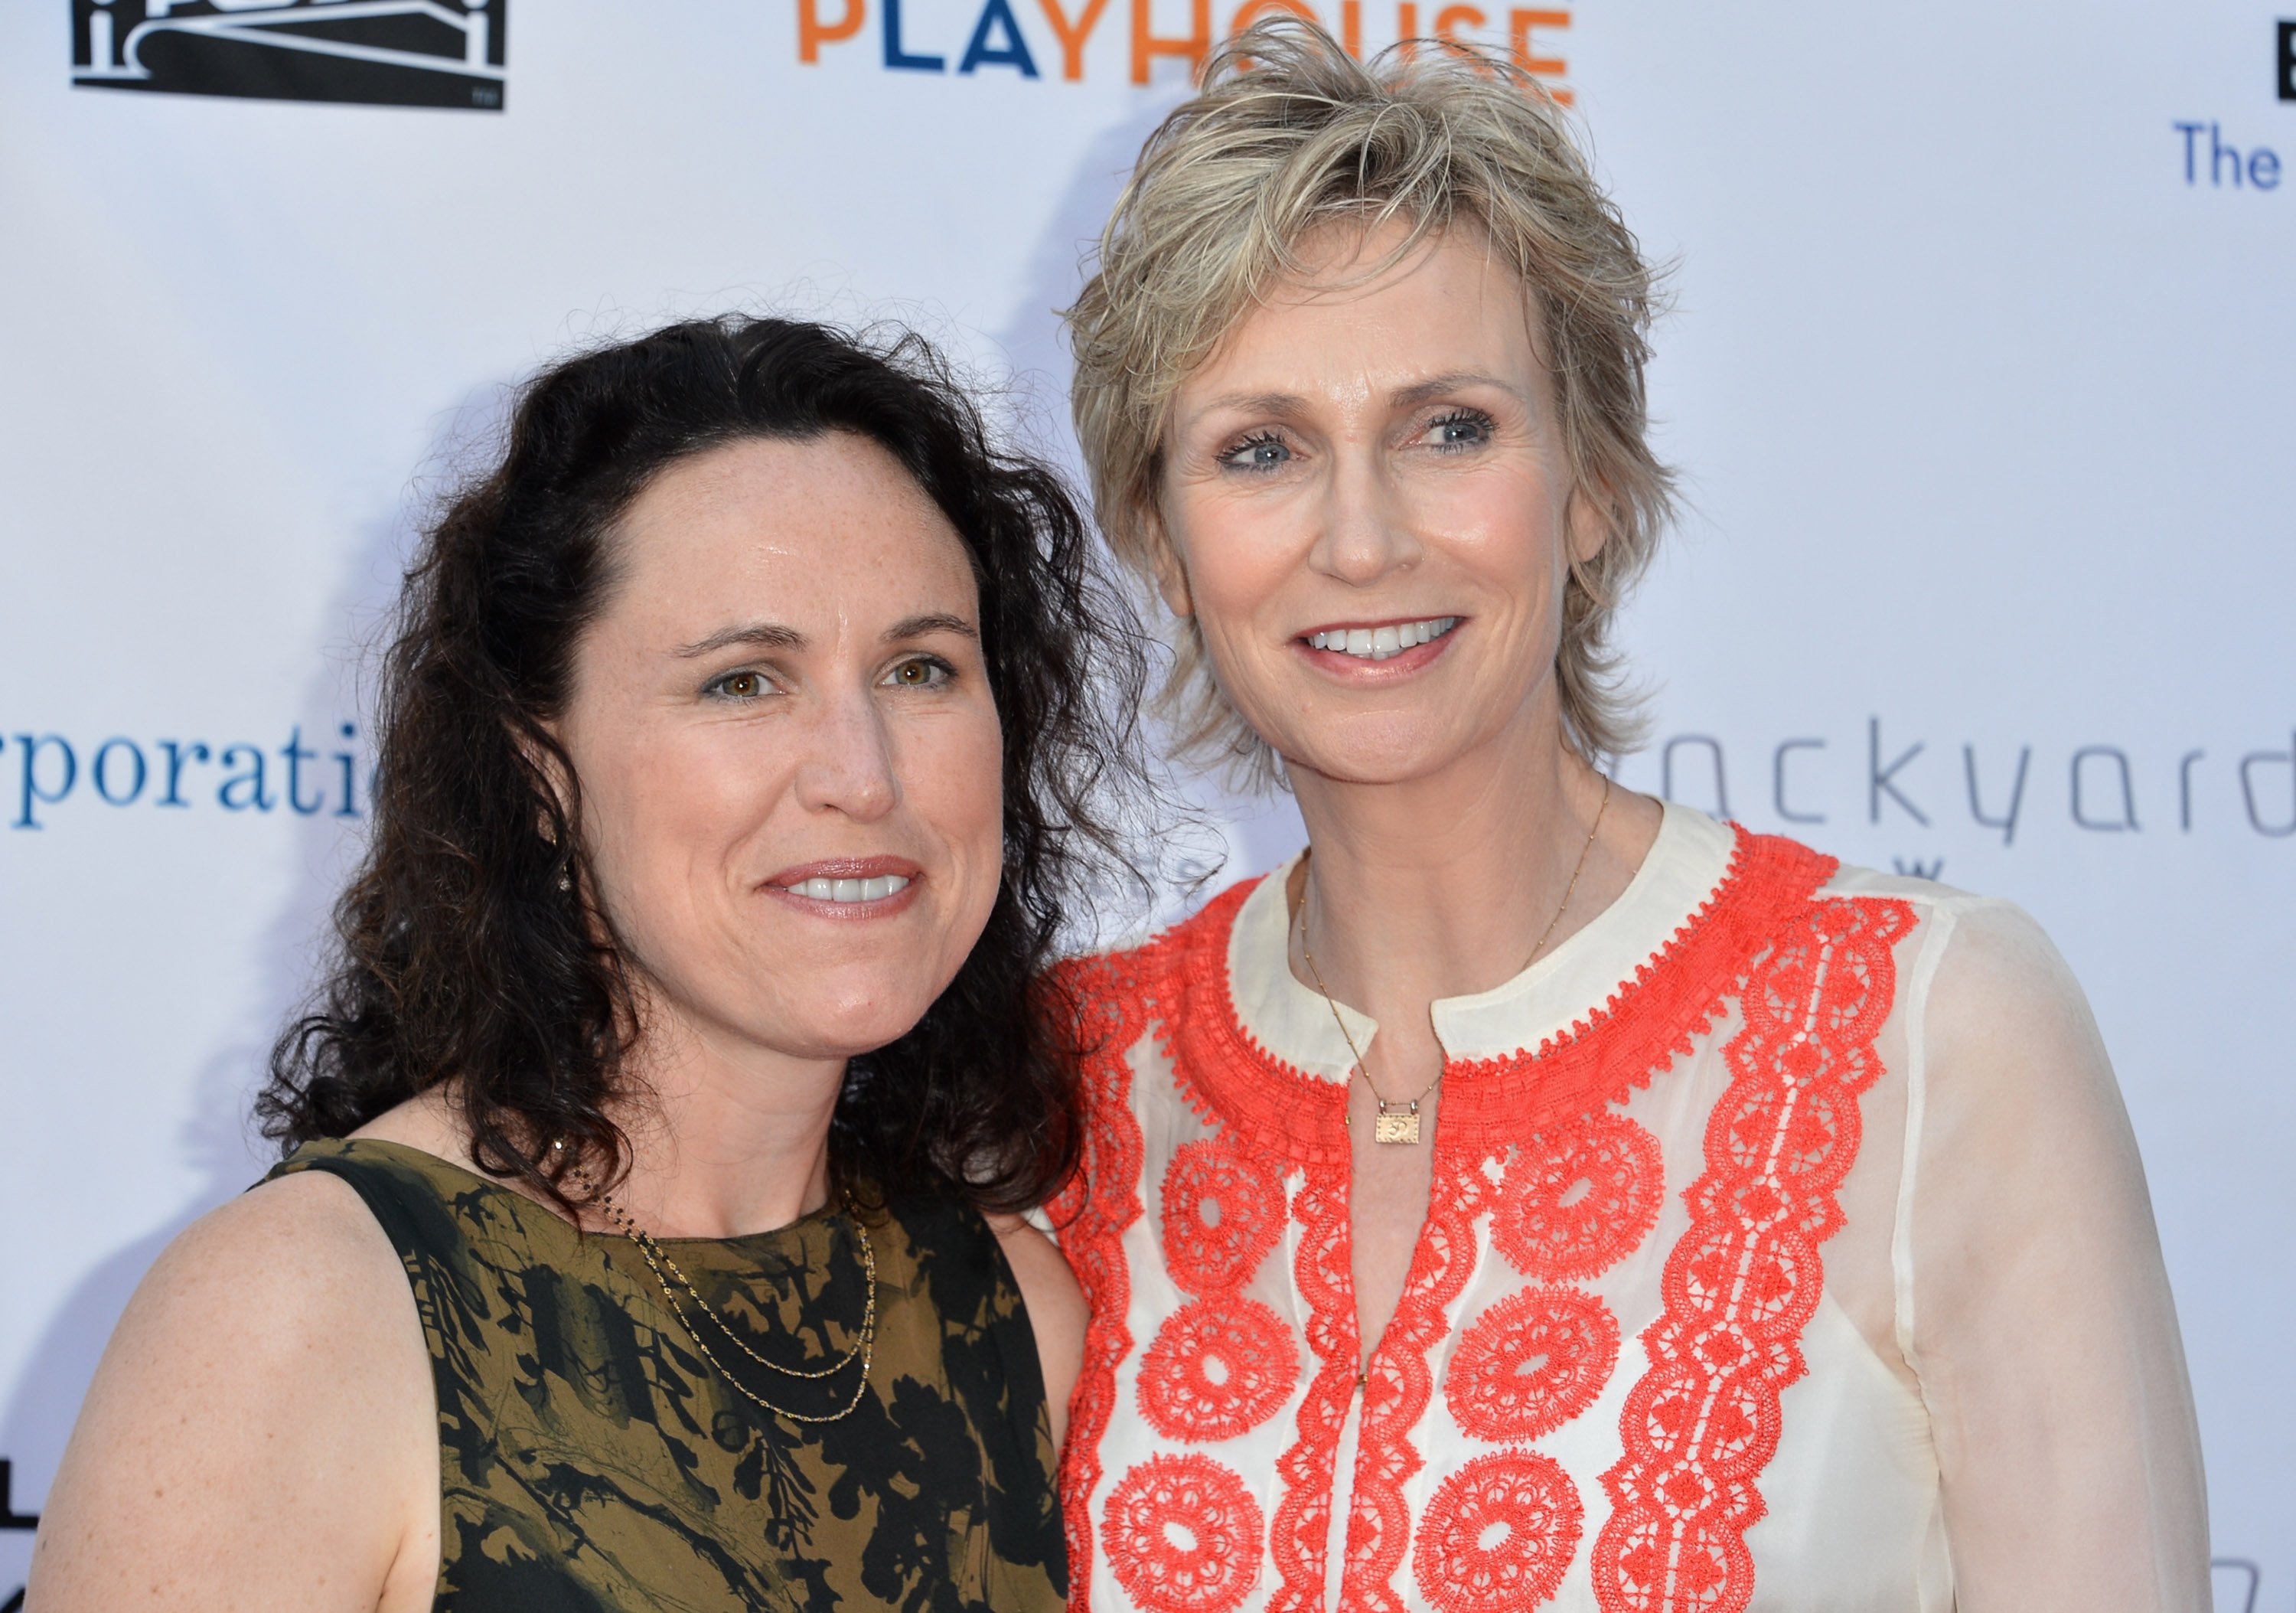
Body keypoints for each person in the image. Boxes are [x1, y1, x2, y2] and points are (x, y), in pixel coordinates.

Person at [1045, 21, 2210, 1613]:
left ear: (1590, 482)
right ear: (1164, 544)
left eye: (1451, 427)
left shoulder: (1936, 1028)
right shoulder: (1066, 1087)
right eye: (1263, 450)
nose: (1364, 538)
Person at [29, 315, 1153, 1611]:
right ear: (538, 766)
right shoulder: (308, 1317)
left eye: (920, 668)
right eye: (743, 682)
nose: (864, 773)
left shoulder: (1011, 1314)